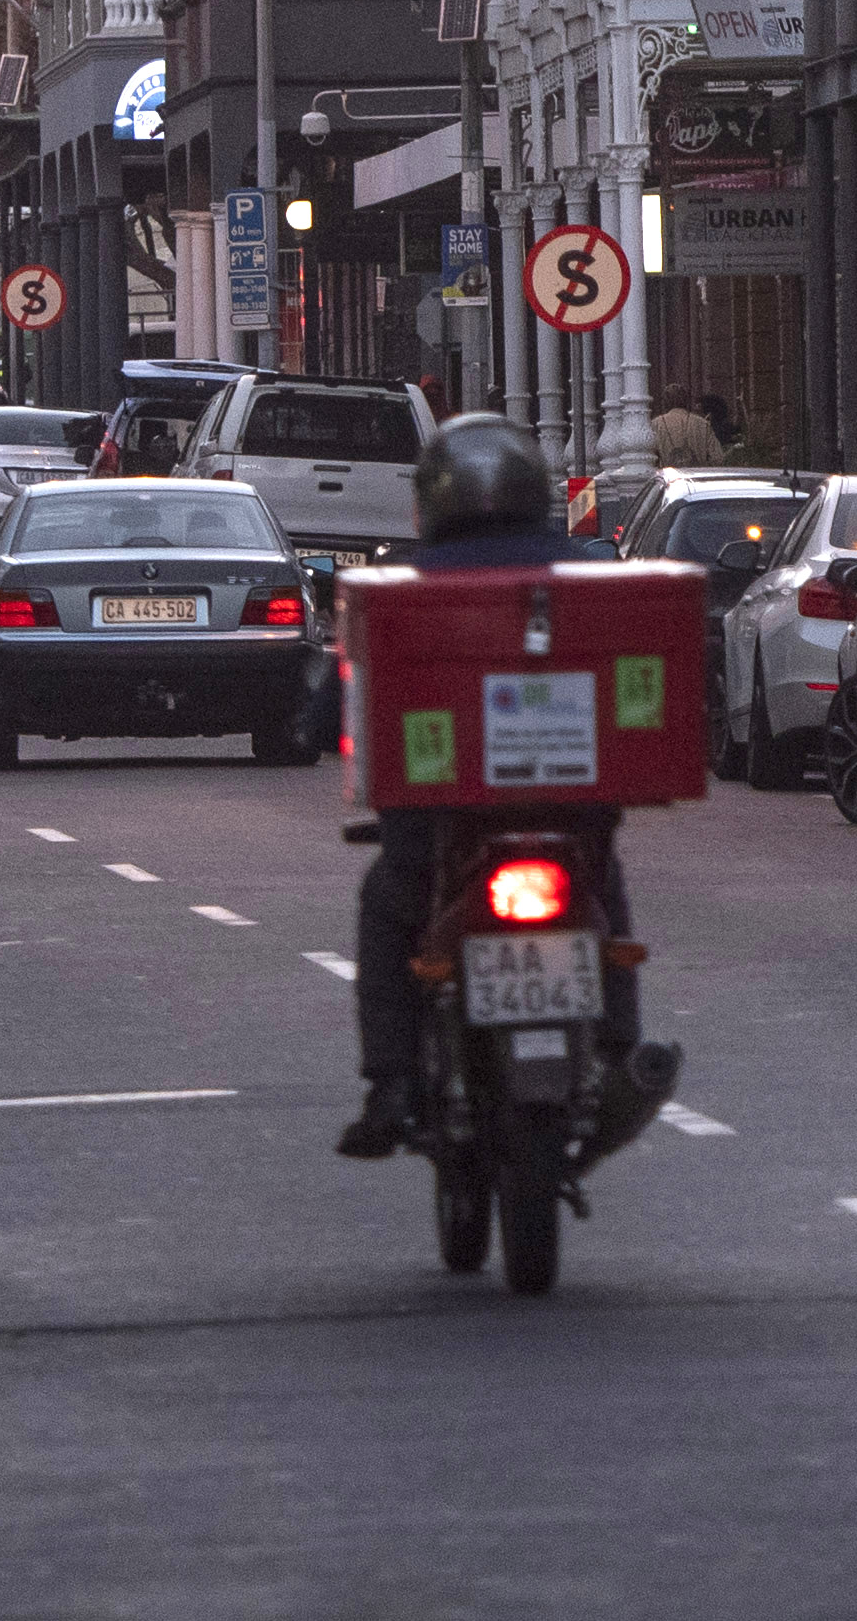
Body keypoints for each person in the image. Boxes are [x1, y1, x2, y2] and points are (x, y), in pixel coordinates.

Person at [338, 416, 672, 1158]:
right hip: (571, 810)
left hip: (437, 822)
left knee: (390, 905)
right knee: (603, 887)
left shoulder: (400, 587)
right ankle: (619, 1047)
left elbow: (345, 688)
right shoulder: (591, 576)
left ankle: (392, 1083)